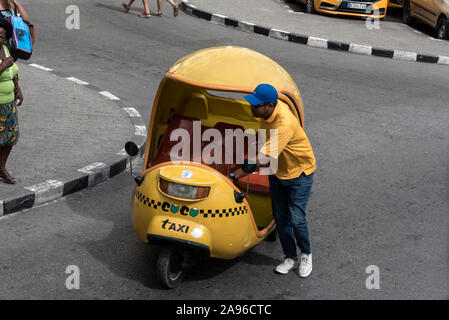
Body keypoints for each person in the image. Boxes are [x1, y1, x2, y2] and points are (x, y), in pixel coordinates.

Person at [231, 84, 316, 278]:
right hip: (278, 171)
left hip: (300, 174)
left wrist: (235, 175)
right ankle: (289, 257)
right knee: (280, 217)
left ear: (269, 105)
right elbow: (264, 148)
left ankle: (306, 255)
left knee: (296, 218)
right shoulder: (265, 116)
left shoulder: (284, 123)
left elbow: (262, 159)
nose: (252, 108)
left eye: (256, 106)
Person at [0, 18, 22, 184]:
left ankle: (1, 169)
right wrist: (2, 67)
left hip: (8, 104)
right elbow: (8, 67)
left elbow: (14, 72)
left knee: (9, 138)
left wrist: (17, 89)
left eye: (1, 36)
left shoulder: (7, 49)